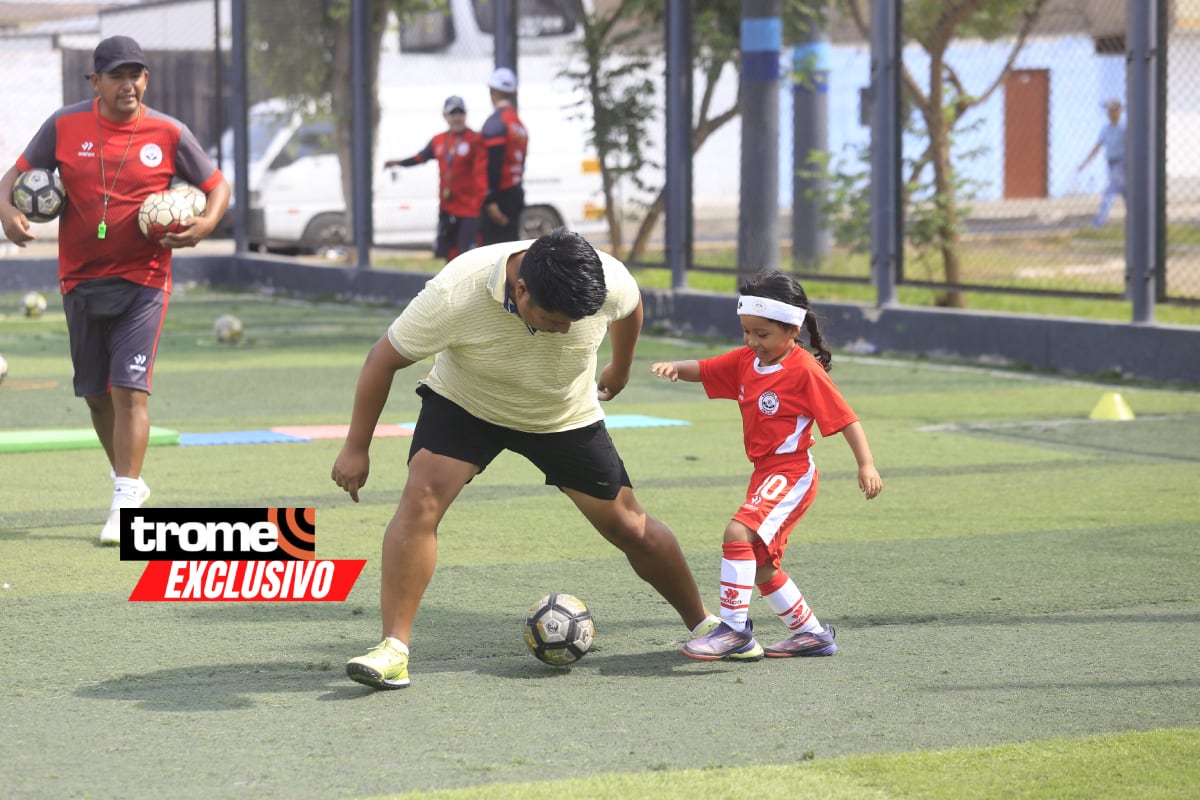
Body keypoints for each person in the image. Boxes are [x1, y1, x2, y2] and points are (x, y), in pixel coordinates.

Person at [331, 228, 719, 689]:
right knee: (421, 500)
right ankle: (393, 649)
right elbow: (382, 359)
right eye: (556, 318)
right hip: (467, 403)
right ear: (520, 290)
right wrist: (357, 446)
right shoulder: (457, 291)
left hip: (562, 413)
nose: (567, 329)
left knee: (629, 525)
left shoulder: (607, 278)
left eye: (578, 318)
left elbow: (630, 307)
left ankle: (708, 627)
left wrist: (621, 364)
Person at [0, 35, 231, 545]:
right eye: (118, 75)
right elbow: (10, 178)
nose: (129, 85)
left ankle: (125, 501)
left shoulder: (169, 132)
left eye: (137, 75)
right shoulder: (64, 125)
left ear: (146, 79)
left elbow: (217, 184)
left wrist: (207, 224)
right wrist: (8, 211)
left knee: (130, 389)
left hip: (145, 279)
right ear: (96, 81)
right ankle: (128, 480)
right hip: (79, 279)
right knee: (96, 396)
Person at [650, 271, 883, 661]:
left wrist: (867, 464)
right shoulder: (746, 361)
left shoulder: (804, 369)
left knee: (737, 532)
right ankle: (811, 633)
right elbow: (706, 369)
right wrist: (676, 366)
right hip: (765, 474)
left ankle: (734, 630)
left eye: (762, 334)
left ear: (792, 329)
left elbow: (846, 418)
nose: (752, 342)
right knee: (759, 565)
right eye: (746, 332)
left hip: (791, 473)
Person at [383, 95, 486, 262]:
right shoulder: (439, 141)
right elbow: (420, 158)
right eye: (453, 113)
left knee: (468, 258)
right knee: (449, 258)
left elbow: (484, 171)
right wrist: (398, 163)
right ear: (445, 116)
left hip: (470, 210)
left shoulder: (475, 139)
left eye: (460, 112)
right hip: (448, 209)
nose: (457, 117)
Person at [478, 66, 527, 245]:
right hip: (515, 192)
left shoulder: (496, 123)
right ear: (513, 92)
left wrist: (490, 201)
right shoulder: (519, 125)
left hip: (499, 197)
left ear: (493, 92)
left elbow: (494, 163)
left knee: (494, 256)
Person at [1077, 99, 1125, 227]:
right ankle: (1136, 222)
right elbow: (1097, 147)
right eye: (1108, 110)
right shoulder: (1105, 129)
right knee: (1126, 193)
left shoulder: (1124, 128)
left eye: (1113, 110)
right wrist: (1084, 164)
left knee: (1110, 191)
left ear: (1120, 111)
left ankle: (1098, 221)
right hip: (1111, 163)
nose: (1110, 113)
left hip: (1122, 164)